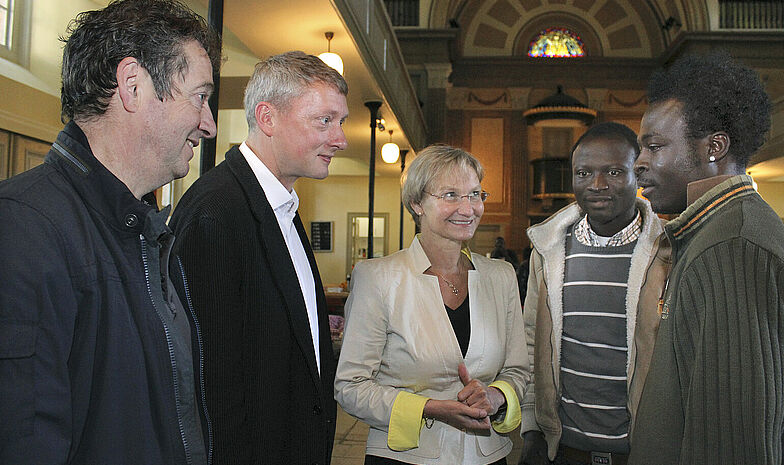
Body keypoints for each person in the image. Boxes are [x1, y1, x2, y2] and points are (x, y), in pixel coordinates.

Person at [0, 0, 219, 463]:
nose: (209, 124)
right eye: (200, 96)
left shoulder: (146, 231)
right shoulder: (23, 227)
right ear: (132, 86)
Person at [629, 52, 784, 464]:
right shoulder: (712, 231)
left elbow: (735, 445)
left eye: (655, 147)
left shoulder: (734, 247)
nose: (639, 163)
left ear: (714, 146)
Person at [169, 51, 348, 464]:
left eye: (341, 122)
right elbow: (210, 387)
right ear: (267, 118)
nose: (340, 139)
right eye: (324, 120)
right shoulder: (216, 212)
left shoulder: (279, 204)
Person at [335, 145, 530, 464]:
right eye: (451, 195)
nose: (468, 209)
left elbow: (518, 371)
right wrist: (428, 408)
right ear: (416, 203)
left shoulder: (501, 276)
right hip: (405, 457)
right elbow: (351, 386)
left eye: (476, 194)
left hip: (487, 457)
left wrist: (496, 396)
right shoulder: (378, 277)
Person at [518, 122, 670, 465]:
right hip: (565, 450)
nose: (597, 185)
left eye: (614, 172)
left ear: (639, 174)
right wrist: (532, 428)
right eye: (583, 173)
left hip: (644, 451)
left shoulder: (668, 252)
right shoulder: (548, 250)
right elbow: (531, 342)